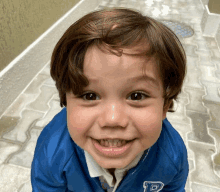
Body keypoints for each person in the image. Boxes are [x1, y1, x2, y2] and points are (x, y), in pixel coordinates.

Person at [31, 7, 189, 192]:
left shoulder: (172, 155)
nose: (112, 120)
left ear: (165, 105)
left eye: (136, 96)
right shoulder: (52, 151)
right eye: (90, 96)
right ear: (66, 102)